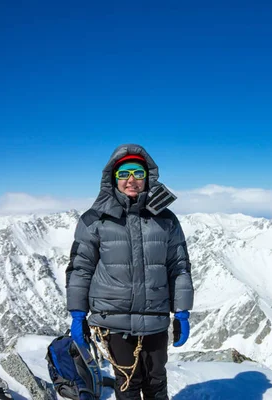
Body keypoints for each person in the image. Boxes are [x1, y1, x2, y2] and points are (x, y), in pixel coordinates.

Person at [66, 144, 194, 400]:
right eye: (123, 174)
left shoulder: (166, 219)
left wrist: (182, 311)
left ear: (149, 177)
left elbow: (178, 267)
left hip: (156, 317)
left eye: (138, 173)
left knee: (157, 382)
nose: (131, 180)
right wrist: (78, 313)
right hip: (113, 320)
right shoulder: (94, 219)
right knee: (127, 384)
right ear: (113, 179)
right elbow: (81, 268)